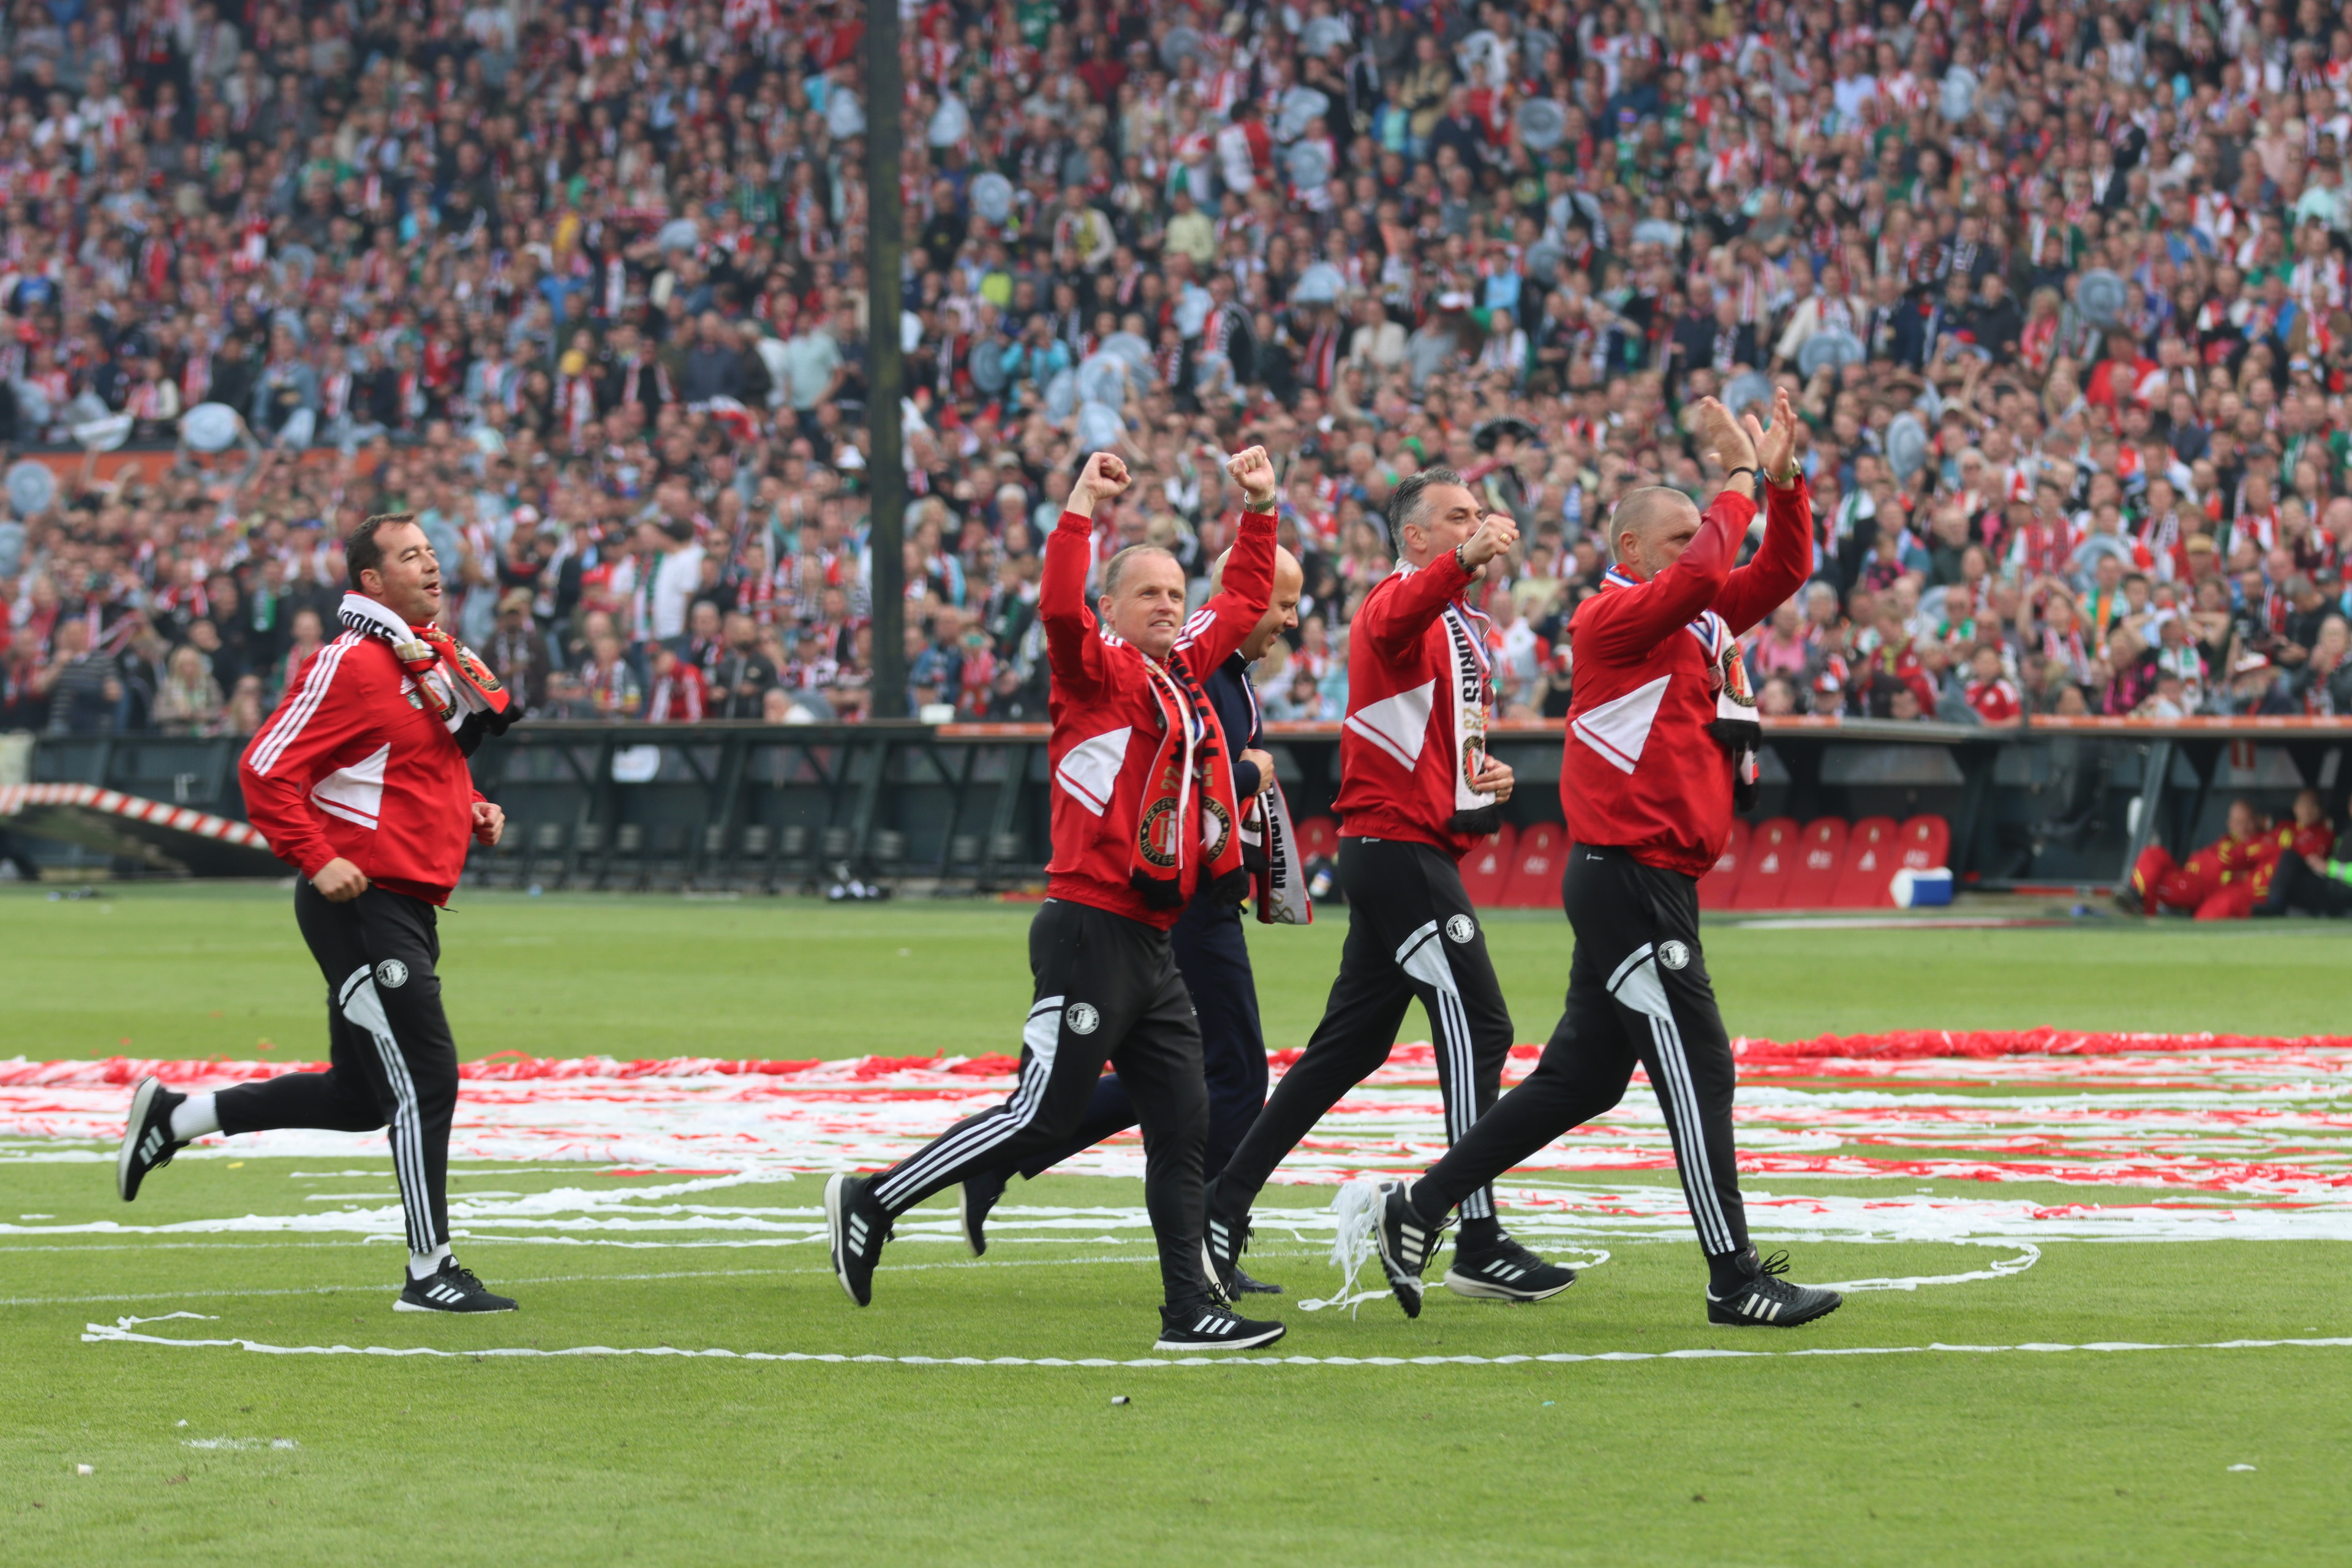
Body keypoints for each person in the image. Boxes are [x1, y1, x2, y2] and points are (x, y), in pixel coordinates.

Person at [1366, 391, 1845, 1329]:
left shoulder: (1691, 618)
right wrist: (1738, 479)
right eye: (1676, 539)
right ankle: (1733, 1277)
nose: (1696, 549)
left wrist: (1783, 484)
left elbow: (1782, 566)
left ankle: (1416, 1208)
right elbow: (1712, 564)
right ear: (1630, 554)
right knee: (1700, 1066)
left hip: (1648, 875)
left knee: (1581, 1080)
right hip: (1630, 875)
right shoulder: (1610, 618)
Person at [823, 448, 1287, 1352]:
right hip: (1090, 925)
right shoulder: (1095, 673)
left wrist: (1261, 507)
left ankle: (1188, 1310)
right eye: (1145, 592)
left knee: (1184, 1124)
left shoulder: (1183, 672)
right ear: (1109, 609)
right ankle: (874, 1200)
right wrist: (1079, 507)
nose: (1167, 604)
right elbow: (1055, 608)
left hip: (1152, 938)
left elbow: (1239, 603)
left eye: (1173, 591)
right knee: (1043, 1111)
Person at [115, 513, 522, 1313]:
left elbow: (394, 770)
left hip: (401, 900)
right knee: (427, 1078)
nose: (432, 565)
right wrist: (317, 855)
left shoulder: (421, 665)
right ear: (370, 583)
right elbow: (264, 766)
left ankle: (176, 1117)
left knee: (362, 1097)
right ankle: (428, 1271)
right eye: (411, 556)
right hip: (362, 903)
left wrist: (471, 804)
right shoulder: (351, 662)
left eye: (433, 552)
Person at [1202, 462, 1577, 1305]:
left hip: (1402, 845)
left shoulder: (1450, 618)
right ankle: (1471, 1232)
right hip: (1398, 849)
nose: (1477, 525)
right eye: (1457, 517)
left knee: (1349, 1047)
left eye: (1480, 513)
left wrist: (1476, 781)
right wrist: (1464, 560)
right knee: (1482, 1025)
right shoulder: (1398, 601)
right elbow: (1400, 614)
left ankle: (1222, 1204)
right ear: (1416, 537)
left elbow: (1421, 734)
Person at [957, 538, 1308, 1294]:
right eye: (1279, 602)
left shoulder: (1228, 673)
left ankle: (1002, 1155)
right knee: (1234, 1076)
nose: (1287, 618)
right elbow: (1186, 779)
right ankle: (1211, 1240)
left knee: (1181, 1077)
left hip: (1193, 896)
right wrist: (1250, 774)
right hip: (1169, 899)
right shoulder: (1196, 667)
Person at [2120, 799, 2268, 918]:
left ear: (2257, 821)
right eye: (2238, 823)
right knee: (2152, 853)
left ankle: (2137, 900)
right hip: (2192, 878)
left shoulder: (2261, 843)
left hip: (2208, 890)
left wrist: (2214, 862)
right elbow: (2198, 858)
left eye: (2247, 822)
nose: (2243, 828)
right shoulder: (2227, 841)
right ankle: (2136, 896)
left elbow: (2239, 862)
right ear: (2230, 824)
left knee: (2155, 882)